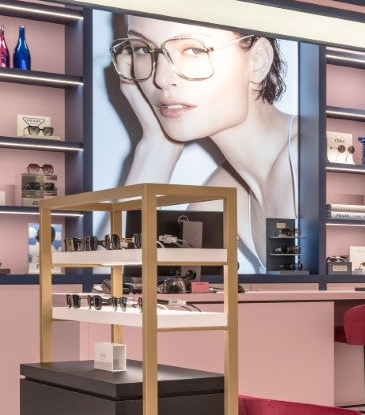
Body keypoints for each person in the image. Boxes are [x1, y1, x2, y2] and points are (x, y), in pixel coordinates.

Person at [110, 15, 298, 269]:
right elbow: (115, 283)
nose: (161, 79)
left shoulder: (309, 162)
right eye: (143, 49)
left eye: (193, 50)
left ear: (258, 60)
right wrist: (157, 145)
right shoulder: (223, 193)